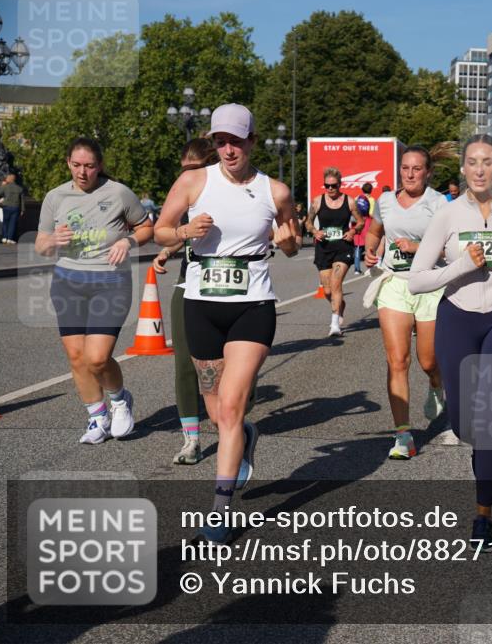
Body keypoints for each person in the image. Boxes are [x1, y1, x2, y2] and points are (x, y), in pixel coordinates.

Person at [155, 103, 300, 544]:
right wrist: (183, 233)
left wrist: (289, 240)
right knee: (218, 411)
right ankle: (247, 436)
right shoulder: (194, 181)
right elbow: (159, 229)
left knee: (232, 406)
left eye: (236, 140)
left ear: (252, 142)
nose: (228, 148)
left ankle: (219, 511)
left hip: (251, 305)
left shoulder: (274, 191)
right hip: (200, 305)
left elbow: (292, 243)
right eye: (221, 140)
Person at [408, 134, 492, 544]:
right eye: (473, 162)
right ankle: (474, 442)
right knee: (464, 420)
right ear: (463, 169)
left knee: (490, 417)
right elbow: (417, 281)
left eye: (488, 161)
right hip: (457, 318)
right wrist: (460, 267)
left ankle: (483, 514)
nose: (481, 168)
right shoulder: (447, 216)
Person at [35, 137, 153, 444]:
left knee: (97, 358)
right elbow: (40, 245)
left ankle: (119, 399)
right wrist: (52, 241)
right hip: (68, 282)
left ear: (99, 165)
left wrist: (127, 242)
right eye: (76, 165)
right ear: (68, 164)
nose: (82, 172)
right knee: (77, 357)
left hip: (110, 282)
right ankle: (97, 417)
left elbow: (146, 227)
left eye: (89, 166)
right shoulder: (55, 197)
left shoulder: (118, 192)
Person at [363, 146, 448, 459]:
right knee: (397, 360)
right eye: (405, 168)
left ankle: (437, 384)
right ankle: (403, 436)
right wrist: (370, 252)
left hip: (430, 285)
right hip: (395, 284)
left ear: (427, 172)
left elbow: (451, 250)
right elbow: (374, 232)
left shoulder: (439, 204)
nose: (410, 174)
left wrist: (417, 247)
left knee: (428, 361)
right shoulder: (384, 201)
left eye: (417, 169)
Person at [152, 138, 219, 465]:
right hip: (189, 281)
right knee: (184, 362)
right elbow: (171, 230)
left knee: (224, 365)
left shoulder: (229, 192)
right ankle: (191, 440)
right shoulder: (185, 192)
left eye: (194, 170)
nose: (187, 177)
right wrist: (168, 248)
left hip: (229, 289)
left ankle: (232, 426)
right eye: (184, 171)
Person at [307, 168, 364, 336]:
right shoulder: (317, 201)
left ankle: (334, 324)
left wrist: (353, 231)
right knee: (327, 291)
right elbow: (308, 222)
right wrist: (315, 232)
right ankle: (340, 306)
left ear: (340, 185)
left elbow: (360, 222)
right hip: (324, 247)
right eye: (327, 185)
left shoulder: (350, 201)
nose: (330, 189)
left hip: (343, 246)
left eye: (333, 186)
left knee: (336, 283)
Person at [0, 173, 26, 244]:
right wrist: (22, 209)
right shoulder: (19, 189)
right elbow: (22, 201)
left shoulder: (5, 187)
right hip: (15, 207)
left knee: (5, 222)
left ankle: (4, 238)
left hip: (6, 206)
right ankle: (10, 238)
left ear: (9, 179)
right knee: (12, 223)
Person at [353, 182, 374, 275]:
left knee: (357, 246)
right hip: (367, 223)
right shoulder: (372, 200)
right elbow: (372, 214)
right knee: (369, 245)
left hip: (357, 223)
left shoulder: (357, 198)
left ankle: (357, 269)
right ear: (371, 190)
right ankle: (370, 268)